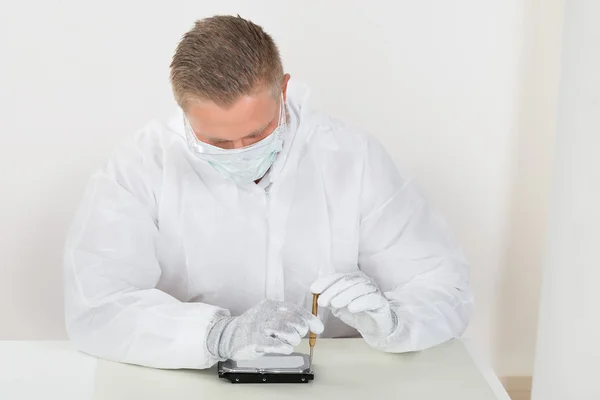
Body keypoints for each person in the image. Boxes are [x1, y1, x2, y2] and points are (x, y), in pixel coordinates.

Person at [63, 15, 474, 369]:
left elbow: (443, 286)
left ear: (284, 88)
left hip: (334, 377)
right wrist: (218, 336)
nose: (242, 153)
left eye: (257, 134)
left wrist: (395, 321)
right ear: (184, 109)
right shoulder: (141, 165)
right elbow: (98, 308)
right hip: (193, 377)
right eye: (218, 143)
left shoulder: (352, 156)